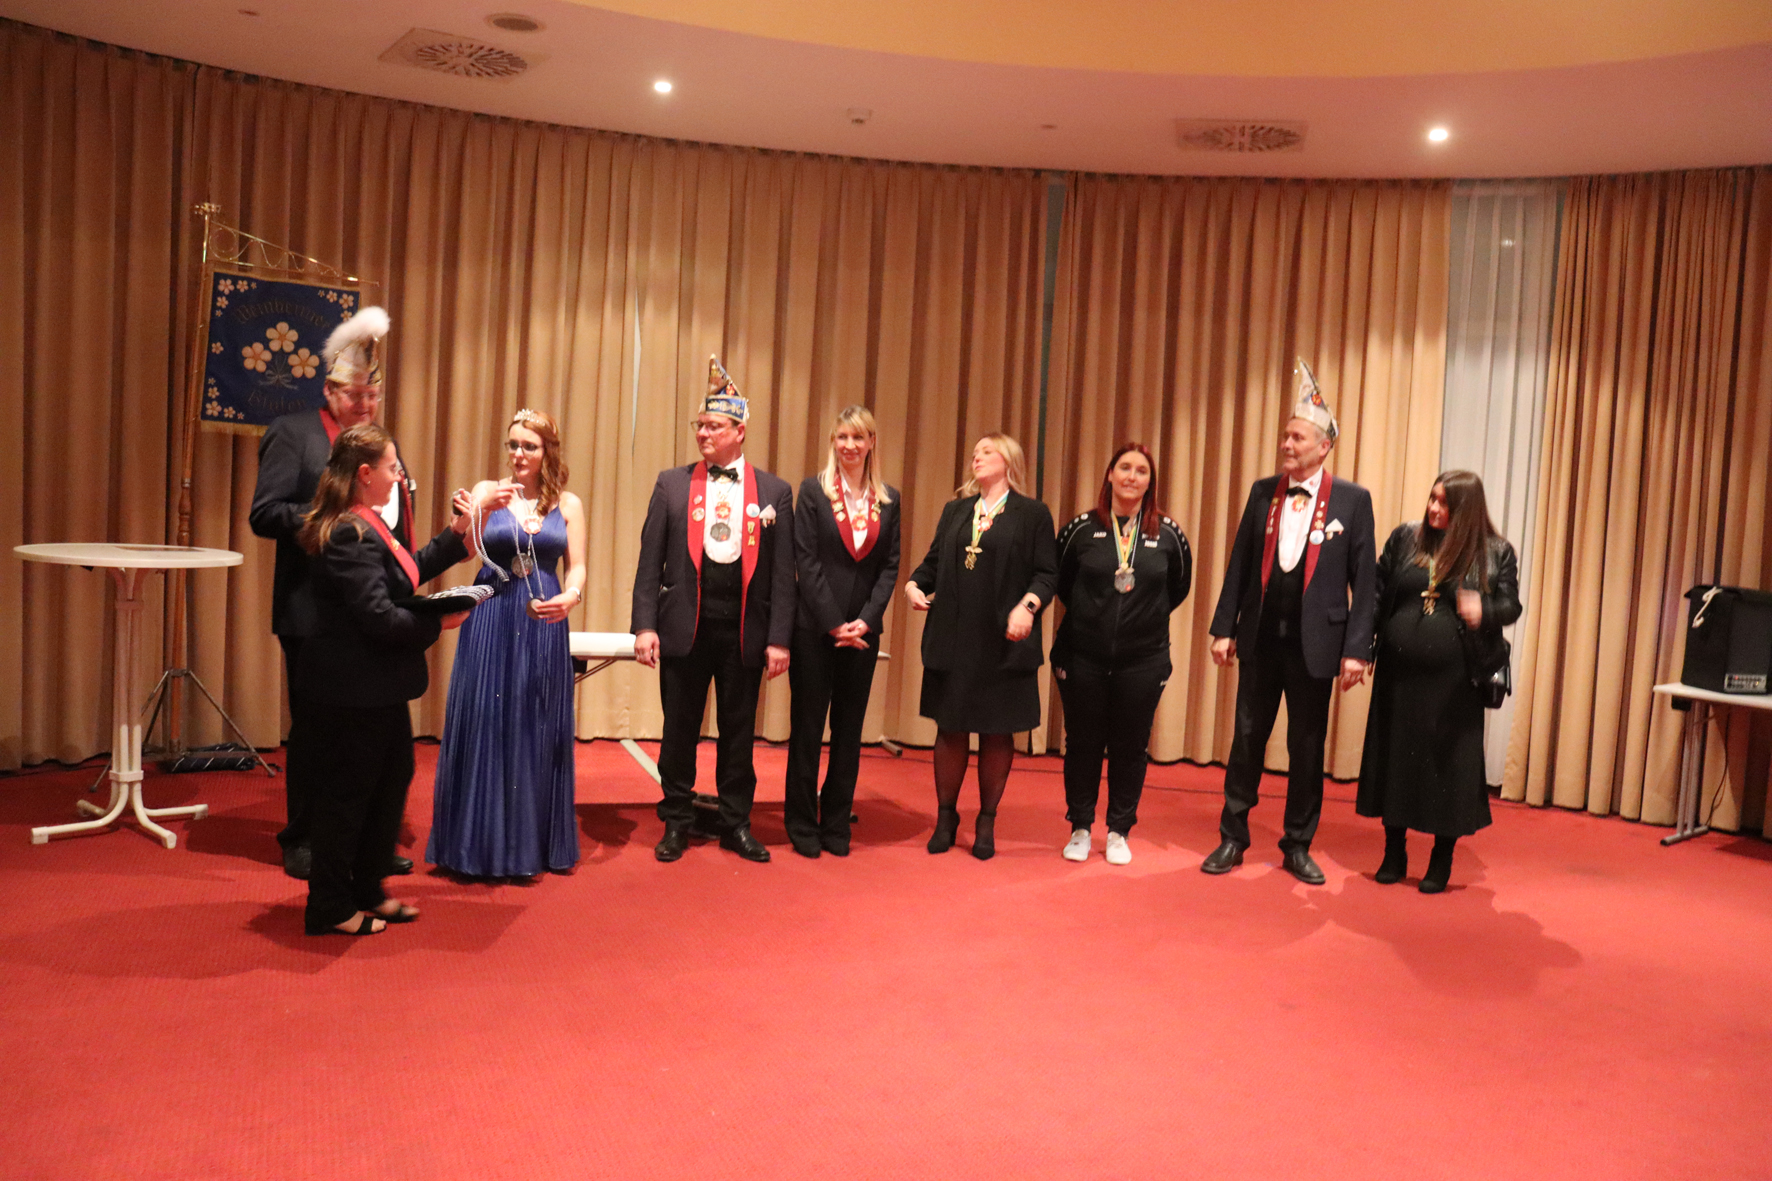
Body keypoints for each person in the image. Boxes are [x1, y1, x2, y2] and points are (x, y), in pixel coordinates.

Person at [250, 306, 424, 880]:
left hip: (372, 611)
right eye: (354, 395)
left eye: (372, 396)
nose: (365, 404)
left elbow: (392, 525)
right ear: (328, 391)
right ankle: (304, 839)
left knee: (372, 740)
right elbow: (265, 514)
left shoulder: (378, 444)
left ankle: (367, 844)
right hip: (312, 615)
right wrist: (332, 514)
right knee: (318, 737)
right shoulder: (293, 432)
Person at [295, 422, 479, 935]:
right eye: (394, 469)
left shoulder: (366, 523)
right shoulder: (348, 532)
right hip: (350, 690)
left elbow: (404, 574)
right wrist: (437, 621)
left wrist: (456, 536)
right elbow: (379, 617)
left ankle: (368, 890)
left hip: (374, 687)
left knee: (391, 780)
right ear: (364, 474)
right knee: (348, 797)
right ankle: (331, 906)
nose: (400, 478)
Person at [1204, 360, 1377, 885]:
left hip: (1315, 646)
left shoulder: (1352, 500)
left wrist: (1357, 649)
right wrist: (1224, 627)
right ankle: (1233, 837)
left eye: (1297, 437)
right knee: (1246, 740)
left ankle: (1298, 844)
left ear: (1324, 447)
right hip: (1261, 639)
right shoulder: (1263, 492)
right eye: (1285, 435)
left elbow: (1365, 582)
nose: (1286, 444)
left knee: (1306, 748)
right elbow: (1239, 563)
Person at [631, 357, 796, 864]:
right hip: (686, 625)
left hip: (744, 629)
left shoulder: (774, 492)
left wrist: (779, 638)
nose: (703, 433)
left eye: (713, 426)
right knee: (678, 730)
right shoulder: (671, 483)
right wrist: (644, 626)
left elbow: (783, 573)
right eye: (699, 425)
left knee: (739, 734)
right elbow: (650, 560)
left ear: (739, 431)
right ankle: (676, 821)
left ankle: (735, 824)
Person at [427, 409, 585, 878]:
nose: (518, 454)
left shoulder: (568, 504)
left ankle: (528, 846)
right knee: (486, 720)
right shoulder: (487, 491)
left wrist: (571, 595)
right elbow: (466, 551)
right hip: (491, 615)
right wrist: (475, 511)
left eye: (529, 446)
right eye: (512, 445)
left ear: (547, 452)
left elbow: (577, 565)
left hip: (543, 620)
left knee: (534, 723)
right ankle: (475, 846)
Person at [1356, 471, 1521, 893]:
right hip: (1398, 676)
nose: (1433, 508)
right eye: (1432, 498)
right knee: (1396, 759)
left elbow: (1510, 605)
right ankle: (1394, 851)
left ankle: (1441, 857)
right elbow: (1376, 593)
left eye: (1444, 503)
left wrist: (1483, 608)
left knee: (1446, 767)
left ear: (1465, 509)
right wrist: (1360, 648)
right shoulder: (1405, 539)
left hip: (1455, 684)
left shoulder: (1495, 551)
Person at [904, 433, 1056, 860]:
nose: (977, 456)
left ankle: (986, 821)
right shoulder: (956, 510)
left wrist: (1028, 607)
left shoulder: (1032, 514)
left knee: (996, 731)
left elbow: (1047, 574)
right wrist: (914, 584)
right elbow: (933, 563)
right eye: (975, 452)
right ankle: (946, 817)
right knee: (950, 728)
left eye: (987, 451)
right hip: (954, 638)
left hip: (1004, 640)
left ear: (1008, 460)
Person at [1052, 443, 1192, 865]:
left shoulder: (1169, 534)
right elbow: (1062, 584)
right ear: (1110, 475)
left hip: (1143, 660)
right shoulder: (1080, 530)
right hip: (1082, 657)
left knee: (1131, 746)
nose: (1132, 476)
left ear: (1151, 482)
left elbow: (1177, 589)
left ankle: (1118, 830)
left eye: (1141, 471)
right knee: (1082, 743)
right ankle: (1080, 826)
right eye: (1125, 468)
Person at [784, 407, 902, 858]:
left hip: (863, 633)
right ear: (833, 442)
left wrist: (865, 621)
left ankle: (836, 822)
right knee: (808, 729)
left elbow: (889, 567)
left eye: (858, 438)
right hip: (816, 629)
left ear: (871, 443)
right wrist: (835, 622)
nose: (849, 446)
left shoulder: (889, 499)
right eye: (842, 437)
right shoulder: (813, 492)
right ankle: (801, 822)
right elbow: (806, 561)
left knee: (849, 732)